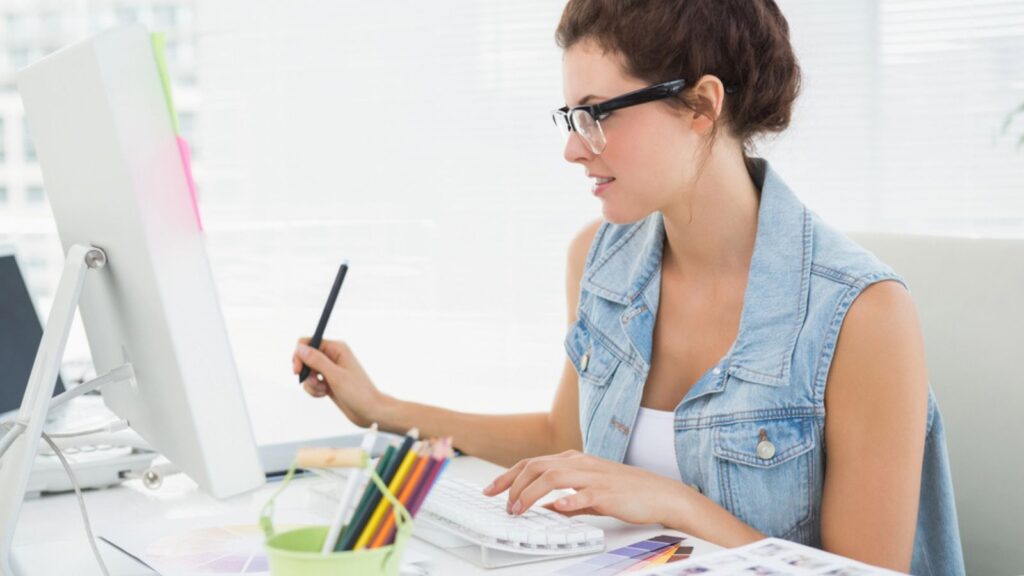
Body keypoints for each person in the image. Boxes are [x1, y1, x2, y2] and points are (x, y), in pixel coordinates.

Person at [291, 1, 964, 573]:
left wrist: (672, 504)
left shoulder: (862, 314)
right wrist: (379, 407)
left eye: (596, 113)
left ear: (701, 105)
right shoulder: (599, 260)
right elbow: (567, 438)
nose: (573, 147)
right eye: (570, 117)